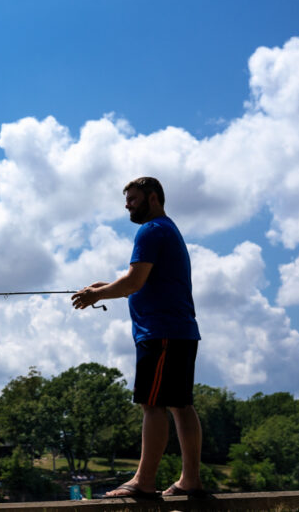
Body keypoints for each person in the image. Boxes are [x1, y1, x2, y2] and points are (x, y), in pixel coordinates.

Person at [71, 177, 204, 499]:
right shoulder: (168, 229)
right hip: (180, 332)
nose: (127, 204)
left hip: (160, 334)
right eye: (126, 199)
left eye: (133, 198)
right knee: (180, 405)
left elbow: (133, 282)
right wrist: (105, 288)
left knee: (152, 405)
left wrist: (95, 295)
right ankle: (190, 481)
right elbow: (143, 282)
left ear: (153, 198)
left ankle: (144, 482)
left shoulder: (151, 230)